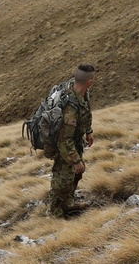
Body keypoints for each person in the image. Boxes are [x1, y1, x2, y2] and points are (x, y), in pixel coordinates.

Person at [49, 63, 96, 219]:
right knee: (62, 179)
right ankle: (55, 214)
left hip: (75, 141)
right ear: (89, 81)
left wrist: (88, 132)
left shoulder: (83, 93)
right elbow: (64, 139)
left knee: (76, 174)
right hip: (64, 145)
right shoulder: (70, 106)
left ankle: (67, 204)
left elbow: (86, 111)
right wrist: (75, 160)